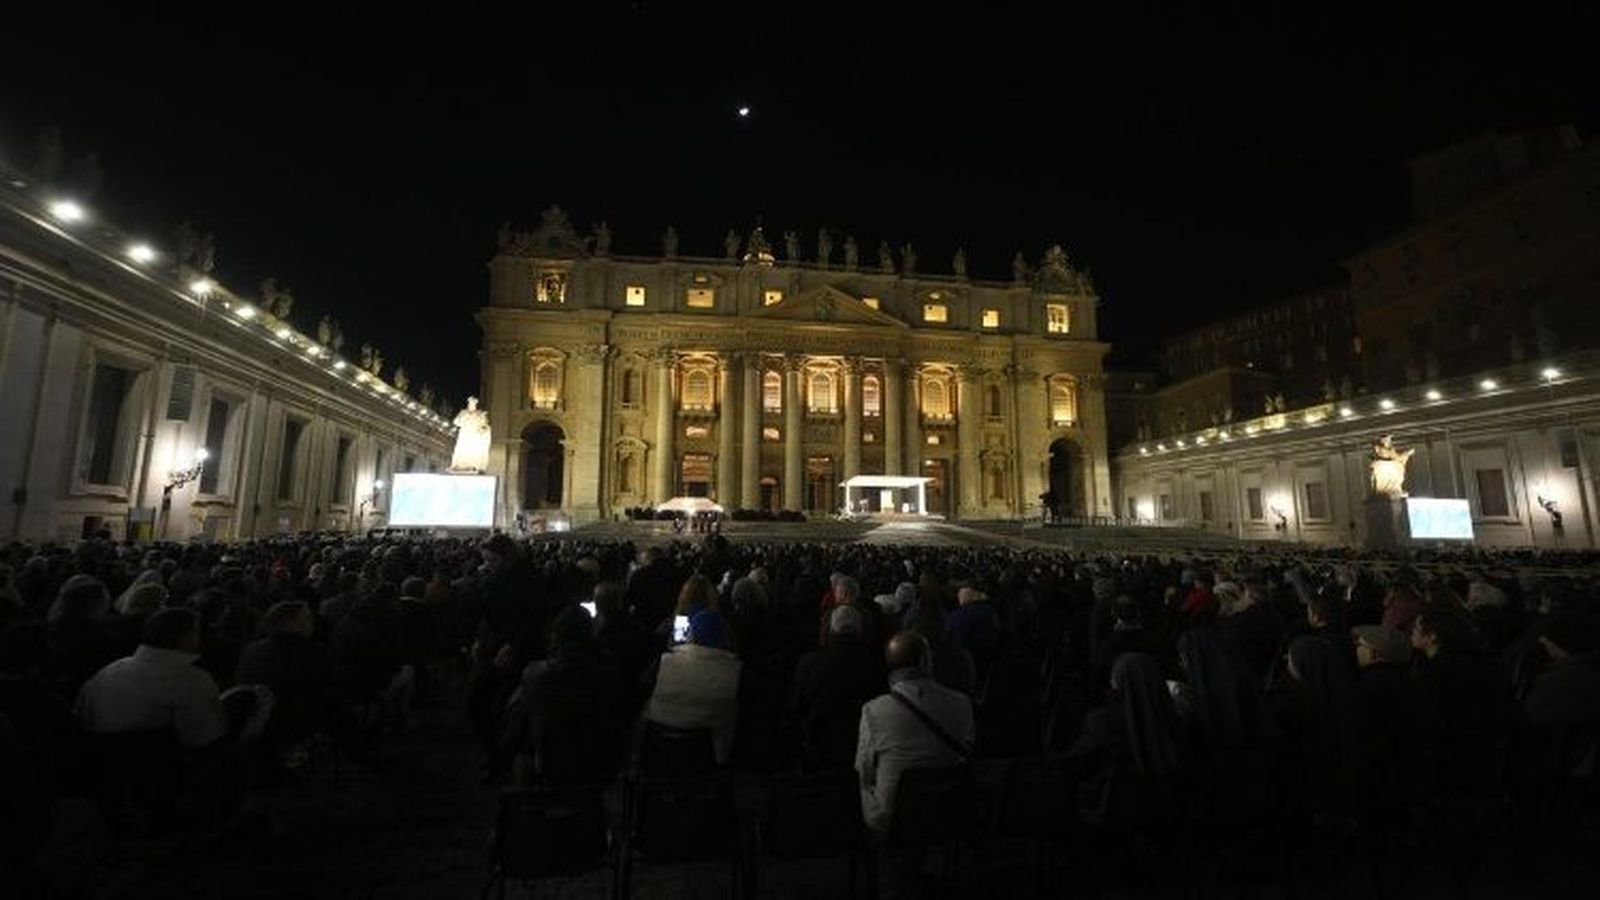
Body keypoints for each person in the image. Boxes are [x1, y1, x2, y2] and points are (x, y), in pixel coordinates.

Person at [856, 631, 975, 836]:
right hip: (951, 811)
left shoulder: (873, 710)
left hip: (895, 819)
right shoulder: (961, 703)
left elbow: (863, 770)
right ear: (926, 661)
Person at [641, 609, 743, 764]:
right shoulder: (737, 672)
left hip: (656, 753)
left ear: (691, 635)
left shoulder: (663, 662)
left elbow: (640, 690)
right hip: (709, 761)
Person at [791, 606, 886, 770]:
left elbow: (797, 705)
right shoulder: (876, 663)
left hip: (819, 746)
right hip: (863, 745)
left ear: (831, 629)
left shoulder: (810, 663)